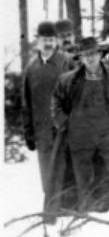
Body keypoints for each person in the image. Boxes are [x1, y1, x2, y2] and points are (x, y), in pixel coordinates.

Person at [49, 37, 109, 211]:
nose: (90, 58)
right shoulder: (68, 81)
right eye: (85, 55)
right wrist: (65, 123)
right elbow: (56, 104)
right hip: (79, 136)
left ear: (100, 54)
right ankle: (90, 209)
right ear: (81, 58)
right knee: (83, 176)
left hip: (106, 134)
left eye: (93, 53)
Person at [22, 21, 74, 195]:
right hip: (42, 133)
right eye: (45, 39)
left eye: (52, 39)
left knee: (68, 174)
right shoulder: (31, 69)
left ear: (56, 41)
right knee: (48, 176)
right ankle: (53, 212)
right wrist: (28, 132)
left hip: (65, 131)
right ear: (38, 41)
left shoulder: (67, 62)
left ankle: (73, 212)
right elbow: (27, 103)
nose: (49, 43)